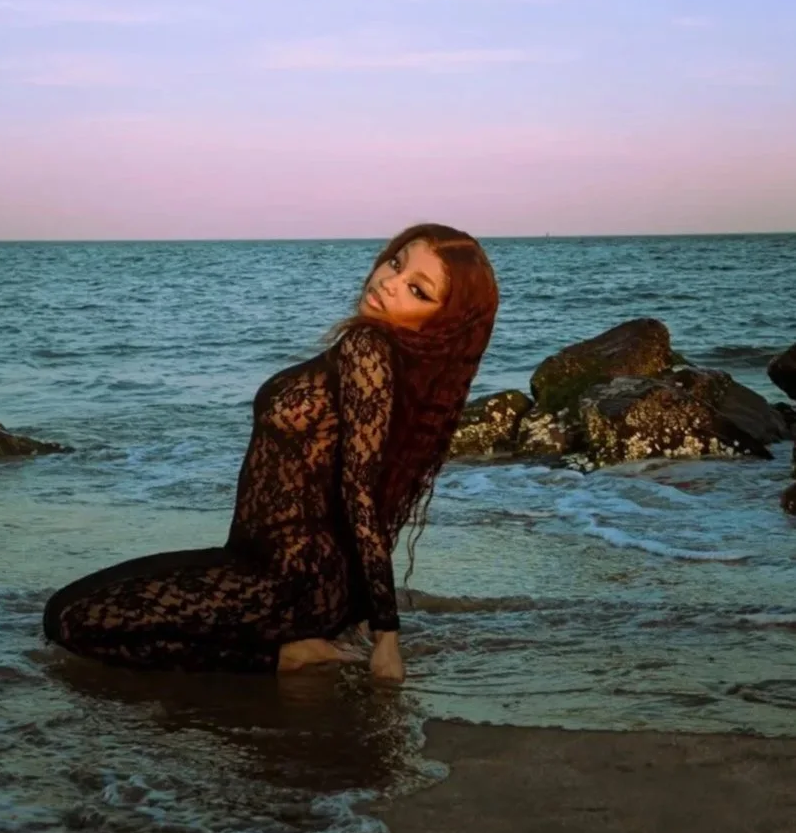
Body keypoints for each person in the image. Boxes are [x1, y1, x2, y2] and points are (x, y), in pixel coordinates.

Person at [42, 223, 499, 683]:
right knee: (70, 606)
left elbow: (360, 494)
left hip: (289, 582)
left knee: (71, 622)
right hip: (259, 564)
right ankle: (283, 647)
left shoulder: (368, 349)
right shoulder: (365, 351)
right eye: (396, 263)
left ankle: (282, 658)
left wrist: (387, 636)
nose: (389, 281)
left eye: (417, 290)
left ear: (442, 324)